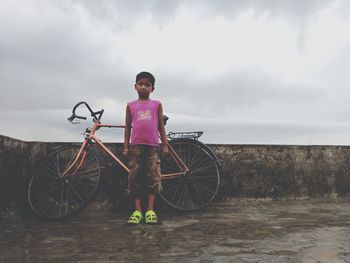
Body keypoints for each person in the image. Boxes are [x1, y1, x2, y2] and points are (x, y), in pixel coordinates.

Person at [123, 71, 169, 224]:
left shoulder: (157, 105)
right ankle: (137, 211)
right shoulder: (130, 105)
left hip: (152, 147)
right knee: (134, 178)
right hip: (135, 147)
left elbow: (161, 127)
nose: (143, 87)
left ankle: (150, 210)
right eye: (140, 84)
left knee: (153, 177)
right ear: (135, 86)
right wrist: (126, 146)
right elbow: (128, 127)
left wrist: (165, 145)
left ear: (152, 89)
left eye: (147, 85)